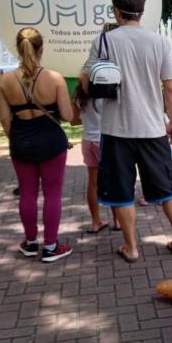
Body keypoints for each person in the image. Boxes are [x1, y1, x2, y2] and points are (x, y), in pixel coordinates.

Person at [80, 0, 172, 263]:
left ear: (116, 11)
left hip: (116, 130)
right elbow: (171, 87)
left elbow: (85, 81)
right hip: (153, 129)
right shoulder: (159, 42)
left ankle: (131, 248)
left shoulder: (104, 42)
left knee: (122, 192)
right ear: (141, 11)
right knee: (167, 189)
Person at [0, 27, 74, 262]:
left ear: (18, 49)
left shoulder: (5, 81)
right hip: (51, 142)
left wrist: (18, 138)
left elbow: (4, 120)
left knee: (27, 194)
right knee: (53, 194)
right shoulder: (55, 78)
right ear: (41, 48)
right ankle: (50, 246)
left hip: (22, 142)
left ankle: (30, 243)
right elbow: (68, 116)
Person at [71, 84, 120, 232]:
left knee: (93, 182)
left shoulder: (78, 92)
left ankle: (95, 222)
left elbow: (73, 121)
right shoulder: (108, 88)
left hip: (87, 140)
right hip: (106, 138)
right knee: (113, 181)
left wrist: (87, 118)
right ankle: (117, 221)